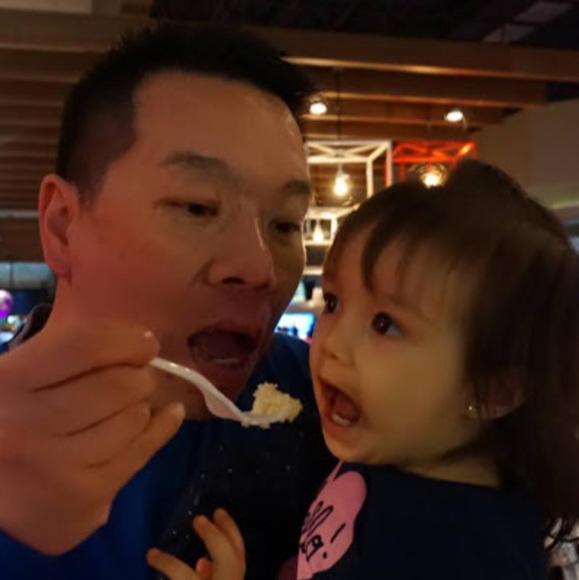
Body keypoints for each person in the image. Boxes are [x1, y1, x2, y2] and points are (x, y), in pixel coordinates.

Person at [0, 23, 333, 580]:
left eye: (285, 224)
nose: (261, 269)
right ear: (61, 225)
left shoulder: (326, 394)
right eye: (198, 208)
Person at [149, 160, 579, 579]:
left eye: (384, 324)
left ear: (494, 390)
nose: (332, 343)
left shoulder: (460, 551)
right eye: (333, 303)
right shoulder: (399, 449)